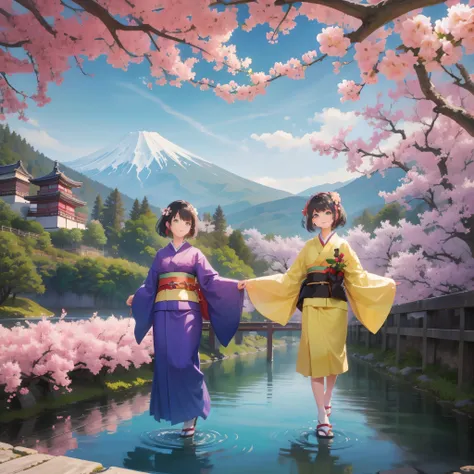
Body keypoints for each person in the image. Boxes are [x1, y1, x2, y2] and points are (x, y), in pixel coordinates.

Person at [238, 192, 396, 439]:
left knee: (331, 358)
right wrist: (255, 283)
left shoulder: (343, 246)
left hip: (335, 307)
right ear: (311, 218)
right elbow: (290, 278)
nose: (321, 217)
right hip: (311, 307)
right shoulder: (308, 248)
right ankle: (322, 416)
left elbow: (359, 277)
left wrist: (385, 284)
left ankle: (327, 401)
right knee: (316, 361)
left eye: (326, 213)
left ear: (335, 214)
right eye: (316, 214)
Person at [127, 200, 244, 438]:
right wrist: (136, 297)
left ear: (192, 226)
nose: (182, 225)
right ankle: (182, 417)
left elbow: (211, 280)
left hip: (188, 312)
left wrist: (235, 285)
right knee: (167, 361)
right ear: (168, 224)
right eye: (177, 220)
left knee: (184, 362)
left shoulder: (196, 254)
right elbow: (150, 285)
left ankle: (192, 412)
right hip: (162, 313)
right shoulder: (160, 256)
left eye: (187, 221)